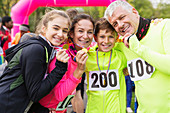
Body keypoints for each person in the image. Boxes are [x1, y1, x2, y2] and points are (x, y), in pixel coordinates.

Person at [104, 0, 170, 112]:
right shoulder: (122, 44)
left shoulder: (163, 27)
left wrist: (137, 47)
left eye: (122, 17)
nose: (120, 25)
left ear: (134, 12)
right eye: (115, 24)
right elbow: (98, 49)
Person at [0, 9, 71, 113]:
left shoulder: (46, 48)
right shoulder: (37, 49)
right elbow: (35, 93)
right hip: (8, 106)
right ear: (44, 28)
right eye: (56, 28)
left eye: (65, 31)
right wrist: (60, 68)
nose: (60, 34)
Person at [85, 17, 127, 113]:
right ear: (95, 38)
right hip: (93, 110)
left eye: (111, 37)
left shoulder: (121, 56)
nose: (106, 41)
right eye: (102, 37)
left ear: (116, 38)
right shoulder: (88, 56)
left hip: (116, 110)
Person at [67, 13, 95, 113]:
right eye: (80, 31)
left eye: (90, 32)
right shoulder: (65, 53)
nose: (85, 36)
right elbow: (75, 95)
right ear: (71, 33)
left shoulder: (84, 51)